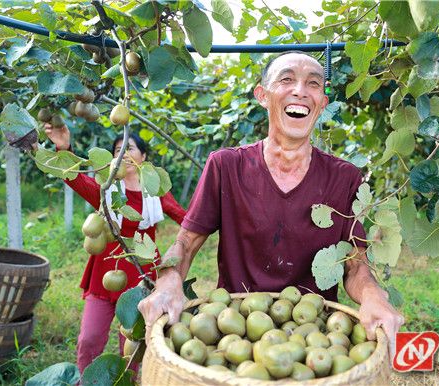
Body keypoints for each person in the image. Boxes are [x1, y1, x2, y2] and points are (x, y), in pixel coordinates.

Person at [139, 51, 404, 359]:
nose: (300, 90)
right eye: (287, 79)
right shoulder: (226, 166)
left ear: (323, 103)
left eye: (313, 84)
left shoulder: (345, 178)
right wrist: (168, 282)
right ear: (262, 95)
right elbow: (186, 242)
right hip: (234, 333)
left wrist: (373, 295)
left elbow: (356, 264)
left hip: (311, 337)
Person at [44, 125, 186, 375]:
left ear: (144, 157)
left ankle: (127, 381)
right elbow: (75, 179)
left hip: (141, 277)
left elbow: (185, 218)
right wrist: (64, 148)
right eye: (118, 150)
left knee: (131, 346)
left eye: (129, 148)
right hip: (105, 273)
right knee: (89, 339)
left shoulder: (154, 191)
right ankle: (85, 381)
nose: (123, 154)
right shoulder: (105, 190)